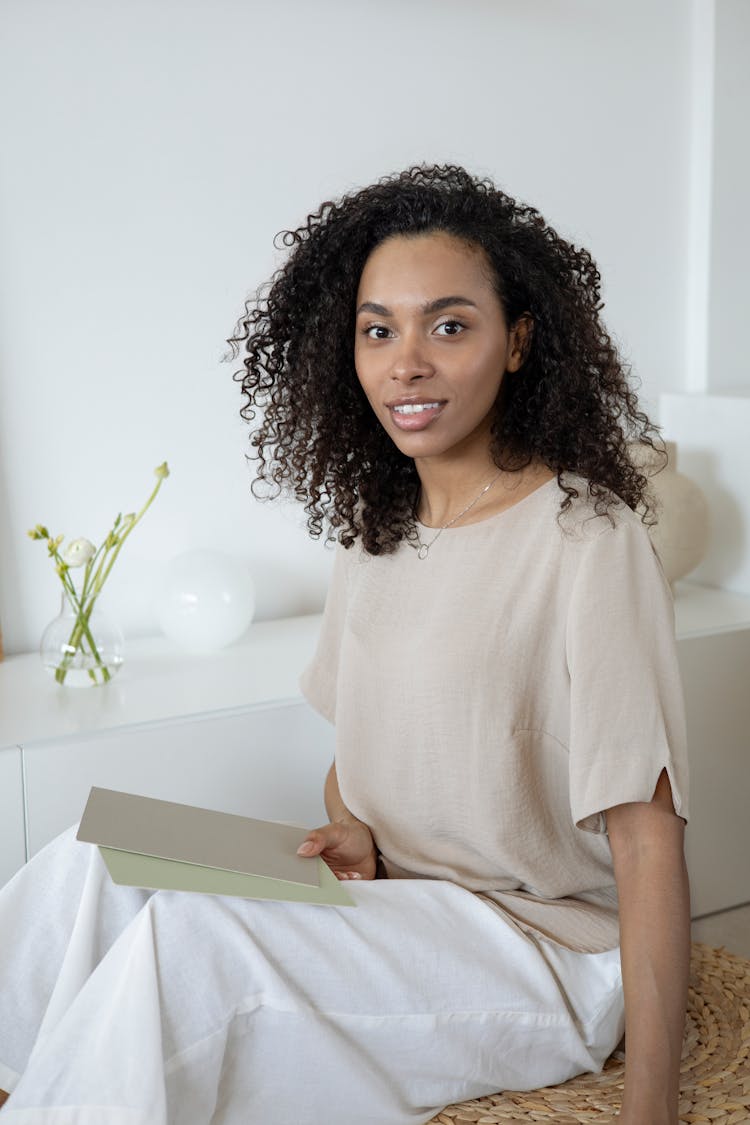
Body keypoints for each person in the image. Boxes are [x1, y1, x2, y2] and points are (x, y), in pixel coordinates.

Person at [0, 164, 690, 1124]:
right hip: (400, 907)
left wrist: (652, 1109)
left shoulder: (586, 537)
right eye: (379, 329)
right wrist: (357, 827)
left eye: (448, 325)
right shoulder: (377, 537)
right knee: (87, 854)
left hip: (540, 949)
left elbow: (648, 836)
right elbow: (357, 758)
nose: (406, 362)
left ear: (519, 341)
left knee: (187, 950)